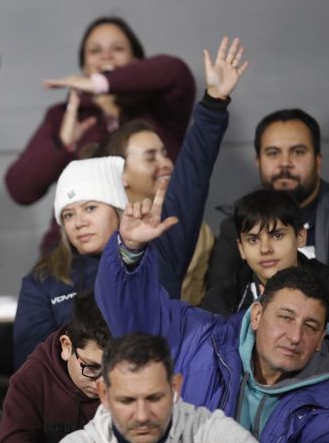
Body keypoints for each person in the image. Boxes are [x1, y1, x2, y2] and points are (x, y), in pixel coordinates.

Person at [13, 37, 247, 367]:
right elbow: (31, 365)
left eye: (91, 208)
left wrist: (213, 103)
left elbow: (191, 178)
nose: (78, 221)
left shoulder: (157, 251)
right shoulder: (44, 279)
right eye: (67, 214)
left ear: (116, 205)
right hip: (75, 413)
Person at [95, 179, 329, 441]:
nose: (295, 335)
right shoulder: (200, 335)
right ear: (257, 313)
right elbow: (134, 320)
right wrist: (130, 250)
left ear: (323, 335)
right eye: (285, 317)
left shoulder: (323, 400)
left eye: (310, 326)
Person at [5, 16, 195, 254]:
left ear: (137, 62)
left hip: (158, 241)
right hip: (77, 254)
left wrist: (101, 83)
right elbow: (20, 189)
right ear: (84, 67)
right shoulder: (65, 116)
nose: (106, 56)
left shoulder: (160, 109)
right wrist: (62, 146)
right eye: (95, 51)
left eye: (118, 49)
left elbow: (176, 71)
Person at [206, 108, 328, 299]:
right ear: (258, 161)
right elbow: (217, 304)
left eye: (298, 152)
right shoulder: (234, 226)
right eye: (273, 153)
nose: (284, 163)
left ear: (318, 160)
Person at [93, 120, 214, 305]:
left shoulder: (195, 228)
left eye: (165, 154)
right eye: (150, 158)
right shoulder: (100, 231)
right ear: (120, 174)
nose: (166, 164)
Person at [60, 334, 257, 443]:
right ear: (104, 394)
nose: (142, 416)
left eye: (154, 398)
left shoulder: (212, 434)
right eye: (127, 401)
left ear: (175, 387)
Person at [0, 291, 110, 442]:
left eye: (112, 369)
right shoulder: (29, 381)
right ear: (66, 347)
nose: (102, 383)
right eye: (92, 367)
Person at [201, 189, 329, 315]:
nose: (265, 249)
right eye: (253, 239)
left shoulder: (325, 286)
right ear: (241, 248)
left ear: (300, 237)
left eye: (277, 236)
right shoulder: (220, 301)